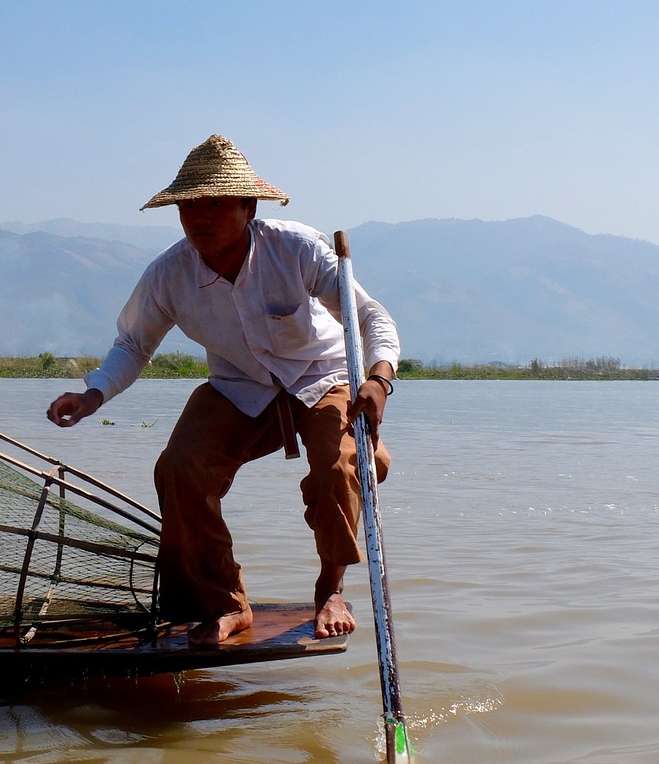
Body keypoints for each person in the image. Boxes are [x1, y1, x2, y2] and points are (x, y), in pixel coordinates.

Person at [47, 135, 399, 646]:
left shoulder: (295, 248)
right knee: (179, 468)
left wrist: (379, 378)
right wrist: (92, 395)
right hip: (237, 386)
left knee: (338, 464)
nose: (199, 219)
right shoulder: (169, 274)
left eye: (215, 204)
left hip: (320, 377)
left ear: (248, 206)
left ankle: (331, 586)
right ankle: (224, 602)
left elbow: (371, 317)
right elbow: (132, 344)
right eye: (189, 207)